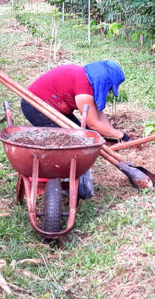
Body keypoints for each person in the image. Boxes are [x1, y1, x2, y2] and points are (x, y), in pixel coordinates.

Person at [21, 60, 131, 198]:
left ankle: (71, 180)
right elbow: (93, 124)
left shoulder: (87, 80)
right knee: (73, 142)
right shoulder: (84, 87)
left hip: (55, 108)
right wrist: (122, 135)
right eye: (109, 87)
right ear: (104, 80)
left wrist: (114, 135)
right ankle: (61, 180)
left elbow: (99, 116)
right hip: (36, 106)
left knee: (79, 134)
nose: (109, 91)